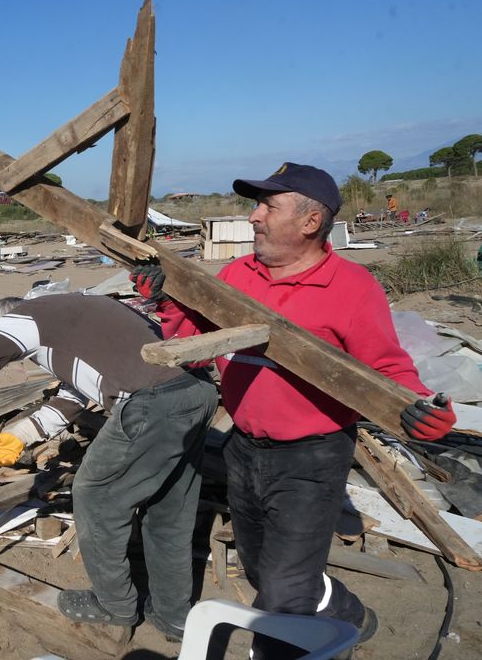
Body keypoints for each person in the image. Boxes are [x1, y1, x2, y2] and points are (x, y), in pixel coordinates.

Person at [131, 162, 456, 659]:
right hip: (243, 448)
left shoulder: (351, 287)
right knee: (261, 568)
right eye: (256, 205)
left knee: (280, 598)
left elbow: (387, 366)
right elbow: (193, 345)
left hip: (312, 457)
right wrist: (169, 301)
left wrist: (418, 407)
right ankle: (345, 610)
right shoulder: (237, 274)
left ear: (309, 222)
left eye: (267, 206)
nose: (253, 217)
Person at [0, 293, 218, 638]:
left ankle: (114, 604)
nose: (15, 359)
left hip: (155, 402)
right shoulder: (70, 321)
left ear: (3, 323)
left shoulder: (23, 319)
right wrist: (21, 434)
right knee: (168, 511)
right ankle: (172, 614)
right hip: (195, 393)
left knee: (95, 496)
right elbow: (76, 394)